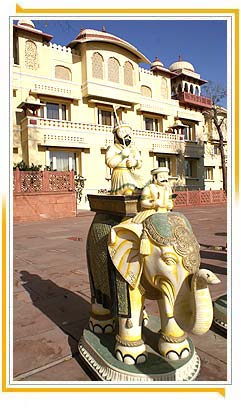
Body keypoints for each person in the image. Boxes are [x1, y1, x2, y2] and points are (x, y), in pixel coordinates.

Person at [105, 123, 147, 195]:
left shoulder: (133, 149)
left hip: (132, 174)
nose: (126, 135)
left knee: (143, 190)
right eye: (123, 132)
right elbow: (110, 163)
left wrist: (134, 163)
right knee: (128, 192)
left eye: (128, 132)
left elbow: (140, 163)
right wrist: (122, 155)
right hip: (120, 174)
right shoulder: (113, 148)